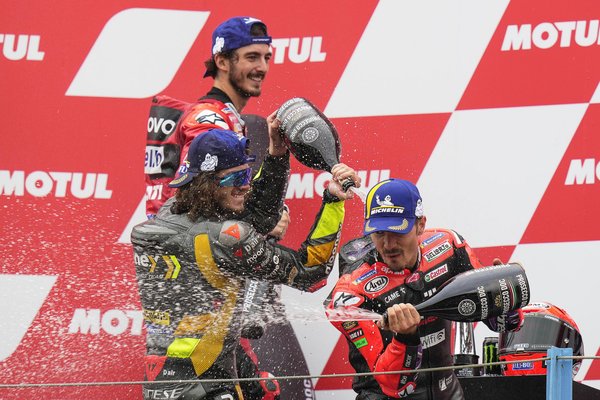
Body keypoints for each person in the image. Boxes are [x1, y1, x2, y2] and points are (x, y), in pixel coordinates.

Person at [132, 122, 360, 399]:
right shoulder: (224, 239)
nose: (245, 185)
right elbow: (310, 271)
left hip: (161, 383)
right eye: (236, 178)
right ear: (206, 182)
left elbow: (260, 216)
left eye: (247, 174)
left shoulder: (168, 213)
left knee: (262, 388)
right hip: (206, 386)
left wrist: (277, 153)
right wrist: (333, 202)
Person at [325, 178, 523, 400]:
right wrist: (406, 338)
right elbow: (393, 386)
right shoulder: (352, 291)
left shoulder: (449, 247)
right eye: (379, 233)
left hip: (448, 394)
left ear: (420, 225)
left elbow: (506, 325)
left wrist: (505, 298)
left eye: (397, 232)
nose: (388, 245)